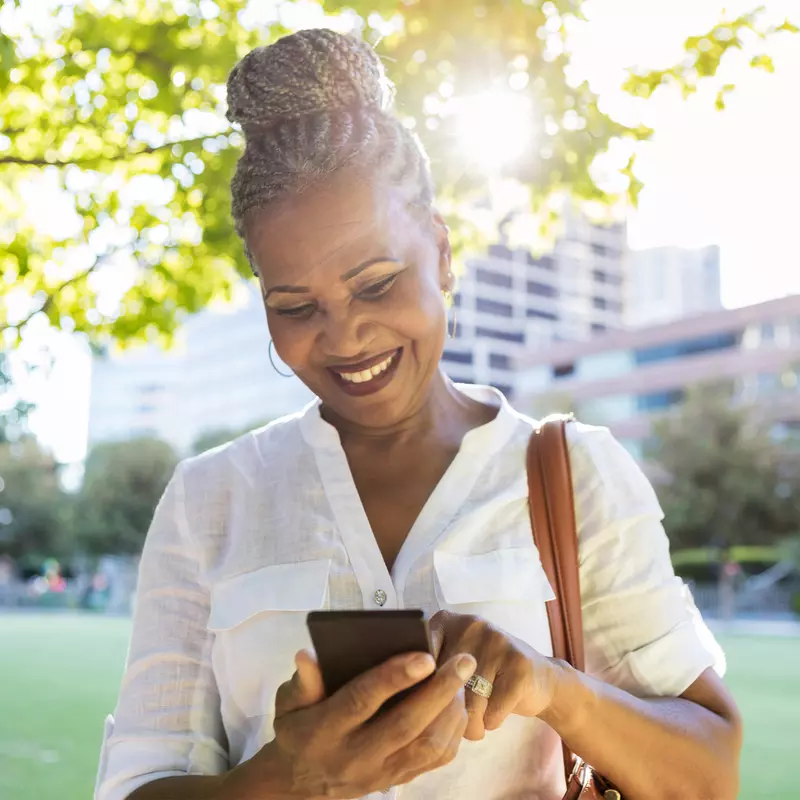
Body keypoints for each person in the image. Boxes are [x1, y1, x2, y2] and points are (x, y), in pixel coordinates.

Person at [95, 29, 742, 800]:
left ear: (439, 252)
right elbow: (138, 784)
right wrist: (293, 779)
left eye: (375, 284)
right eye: (295, 306)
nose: (344, 338)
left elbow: (709, 775)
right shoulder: (209, 500)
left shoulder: (574, 472)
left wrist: (551, 688)